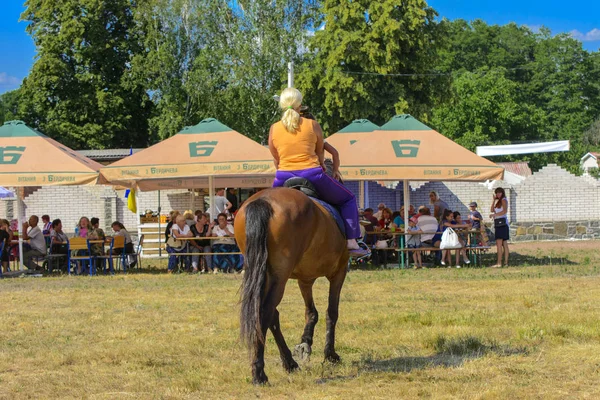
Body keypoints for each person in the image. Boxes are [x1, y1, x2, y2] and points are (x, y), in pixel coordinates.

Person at [268, 87, 364, 252]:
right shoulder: (312, 125)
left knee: (267, 209)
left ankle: (267, 243)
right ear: (300, 104)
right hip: (312, 174)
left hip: (283, 176)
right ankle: (352, 242)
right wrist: (321, 165)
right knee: (348, 199)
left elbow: (276, 158)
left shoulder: (274, 128)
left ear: (282, 105)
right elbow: (320, 153)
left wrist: (283, 168)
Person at [490, 187, 510, 268]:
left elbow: (505, 211)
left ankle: (499, 263)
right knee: (504, 243)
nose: (498, 194)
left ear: (502, 193)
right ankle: (505, 262)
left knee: (499, 244)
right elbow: (492, 210)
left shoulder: (503, 200)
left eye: (499, 192)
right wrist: (494, 200)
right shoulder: (498, 201)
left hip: (502, 224)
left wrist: (495, 215)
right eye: (496, 193)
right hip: (499, 223)